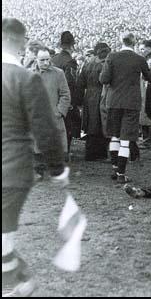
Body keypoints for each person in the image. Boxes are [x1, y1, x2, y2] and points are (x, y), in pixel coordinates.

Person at [2, 17, 68, 297]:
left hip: (10, 170)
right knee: (4, 240)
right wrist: (57, 169)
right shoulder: (25, 78)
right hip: (11, 170)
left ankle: (16, 283)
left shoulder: (26, 75)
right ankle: (18, 284)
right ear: (20, 41)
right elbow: (45, 128)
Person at [100, 32, 151, 183]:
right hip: (131, 103)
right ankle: (121, 174)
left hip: (113, 101)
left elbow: (103, 79)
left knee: (114, 136)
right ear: (134, 42)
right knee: (125, 139)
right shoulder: (139, 59)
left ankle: (114, 168)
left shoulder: (112, 57)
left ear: (121, 41)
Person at [32, 47, 71, 179]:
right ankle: (38, 171)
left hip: (54, 116)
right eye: (42, 60)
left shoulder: (58, 73)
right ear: (36, 60)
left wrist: (59, 111)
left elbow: (65, 95)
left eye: (48, 59)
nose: (46, 63)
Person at [77, 42, 111, 161]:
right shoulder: (105, 65)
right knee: (101, 124)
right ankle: (100, 154)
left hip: (89, 96)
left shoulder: (88, 64)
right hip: (102, 95)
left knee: (91, 125)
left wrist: (80, 100)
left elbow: (80, 83)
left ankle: (91, 153)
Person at [51, 31, 81, 161]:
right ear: (72, 46)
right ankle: (65, 153)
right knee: (67, 127)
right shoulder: (70, 62)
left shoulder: (53, 59)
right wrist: (72, 103)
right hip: (64, 99)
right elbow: (71, 84)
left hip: (52, 98)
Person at [139, 40, 151, 148]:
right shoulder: (147, 59)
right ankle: (146, 138)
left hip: (150, 89)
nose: (141, 51)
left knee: (148, 112)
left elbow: (145, 73)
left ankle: (149, 140)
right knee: (144, 113)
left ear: (150, 48)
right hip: (145, 88)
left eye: (143, 49)